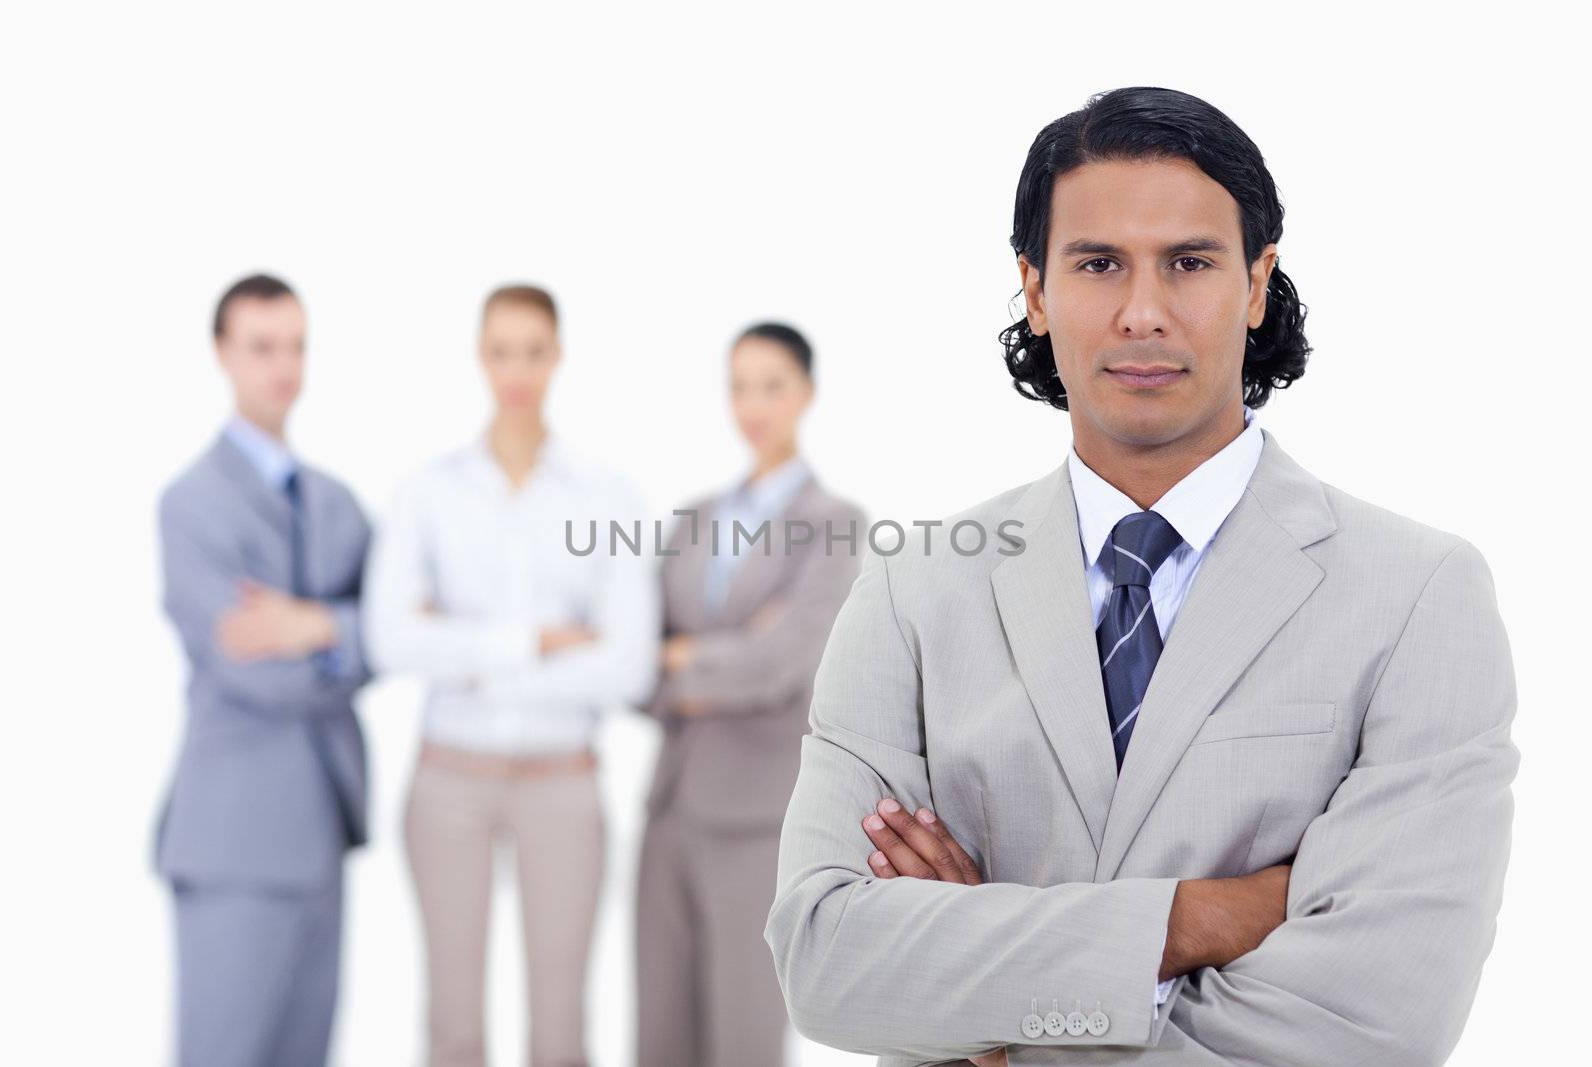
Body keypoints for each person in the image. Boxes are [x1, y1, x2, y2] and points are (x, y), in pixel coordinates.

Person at [764, 86, 1518, 1066]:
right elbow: (827, 961)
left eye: (1190, 262)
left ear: (1256, 283)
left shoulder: (1417, 595)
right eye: (1098, 263)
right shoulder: (913, 592)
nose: (1143, 312)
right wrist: (1190, 917)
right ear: (1034, 290)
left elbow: (1375, 1018)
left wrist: (989, 1024)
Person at [362, 283, 660, 1067]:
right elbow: (390, 640)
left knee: (561, 1030)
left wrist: (462, 655)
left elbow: (627, 668)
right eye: (501, 351)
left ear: (557, 355)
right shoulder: (427, 491)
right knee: (452, 1025)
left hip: (563, 782)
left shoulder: (608, 494)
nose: (517, 369)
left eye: (533, 350)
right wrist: (537, 644)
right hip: (446, 781)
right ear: (480, 356)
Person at [154, 272, 374, 1067]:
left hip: (324, 832)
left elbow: (389, 628)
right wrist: (346, 641)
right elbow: (248, 668)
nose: (283, 365)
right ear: (223, 353)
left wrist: (313, 625)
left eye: (296, 345)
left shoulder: (338, 503)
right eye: (261, 346)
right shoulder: (191, 503)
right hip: (235, 841)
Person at [633, 322, 867, 1067]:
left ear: (805, 394)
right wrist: (713, 656)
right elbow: (633, 670)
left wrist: (682, 656)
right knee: (659, 1033)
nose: (754, 404)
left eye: (772, 386)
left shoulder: (833, 524)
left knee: (742, 1035)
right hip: (667, 808)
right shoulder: (693, 518)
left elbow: (782, 666)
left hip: (757, 817)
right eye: (740, 386)